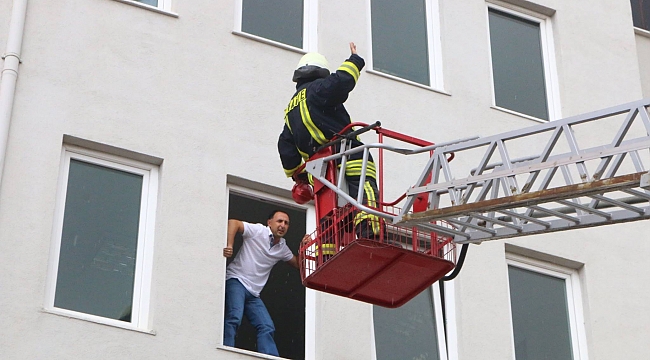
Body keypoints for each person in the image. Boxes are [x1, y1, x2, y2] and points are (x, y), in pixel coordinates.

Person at [277, 42, 382, 248]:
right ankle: (371, 231)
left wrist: (298, 176)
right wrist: (355, 61)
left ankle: (326, 250)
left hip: (319, 167)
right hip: (346, 152)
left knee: (328, 208)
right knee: (363, 184)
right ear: (320, 72)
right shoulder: (318, 89)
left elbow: (285, 146)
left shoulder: (290, 110)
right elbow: (341, 81)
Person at [222, 210, 309, 356]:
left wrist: (304, 248)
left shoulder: (282, 247)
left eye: (286, 223)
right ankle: (225, 353)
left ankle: (271, 357)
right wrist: (229, 245)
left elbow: (298, 265)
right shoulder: (259, 231)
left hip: (254, 294)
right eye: (279, 221)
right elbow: (233, 223)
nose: (282, 225)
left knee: (267, 327)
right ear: (269, 223)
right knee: (234, 317)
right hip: (237, 280)